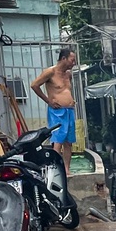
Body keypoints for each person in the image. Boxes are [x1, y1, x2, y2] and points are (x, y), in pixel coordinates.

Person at [30, 47, 78, 175]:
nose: (74, 63)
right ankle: (56, 169)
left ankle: (66, 169)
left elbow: (65, 90)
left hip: (69, 111)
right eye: (72, 60)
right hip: (57, 112)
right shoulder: (50, 72)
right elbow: (34, 85)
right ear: (64, 58)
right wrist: (48, 101)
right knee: (58, 140)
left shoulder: (68, 74)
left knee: (69, 142)